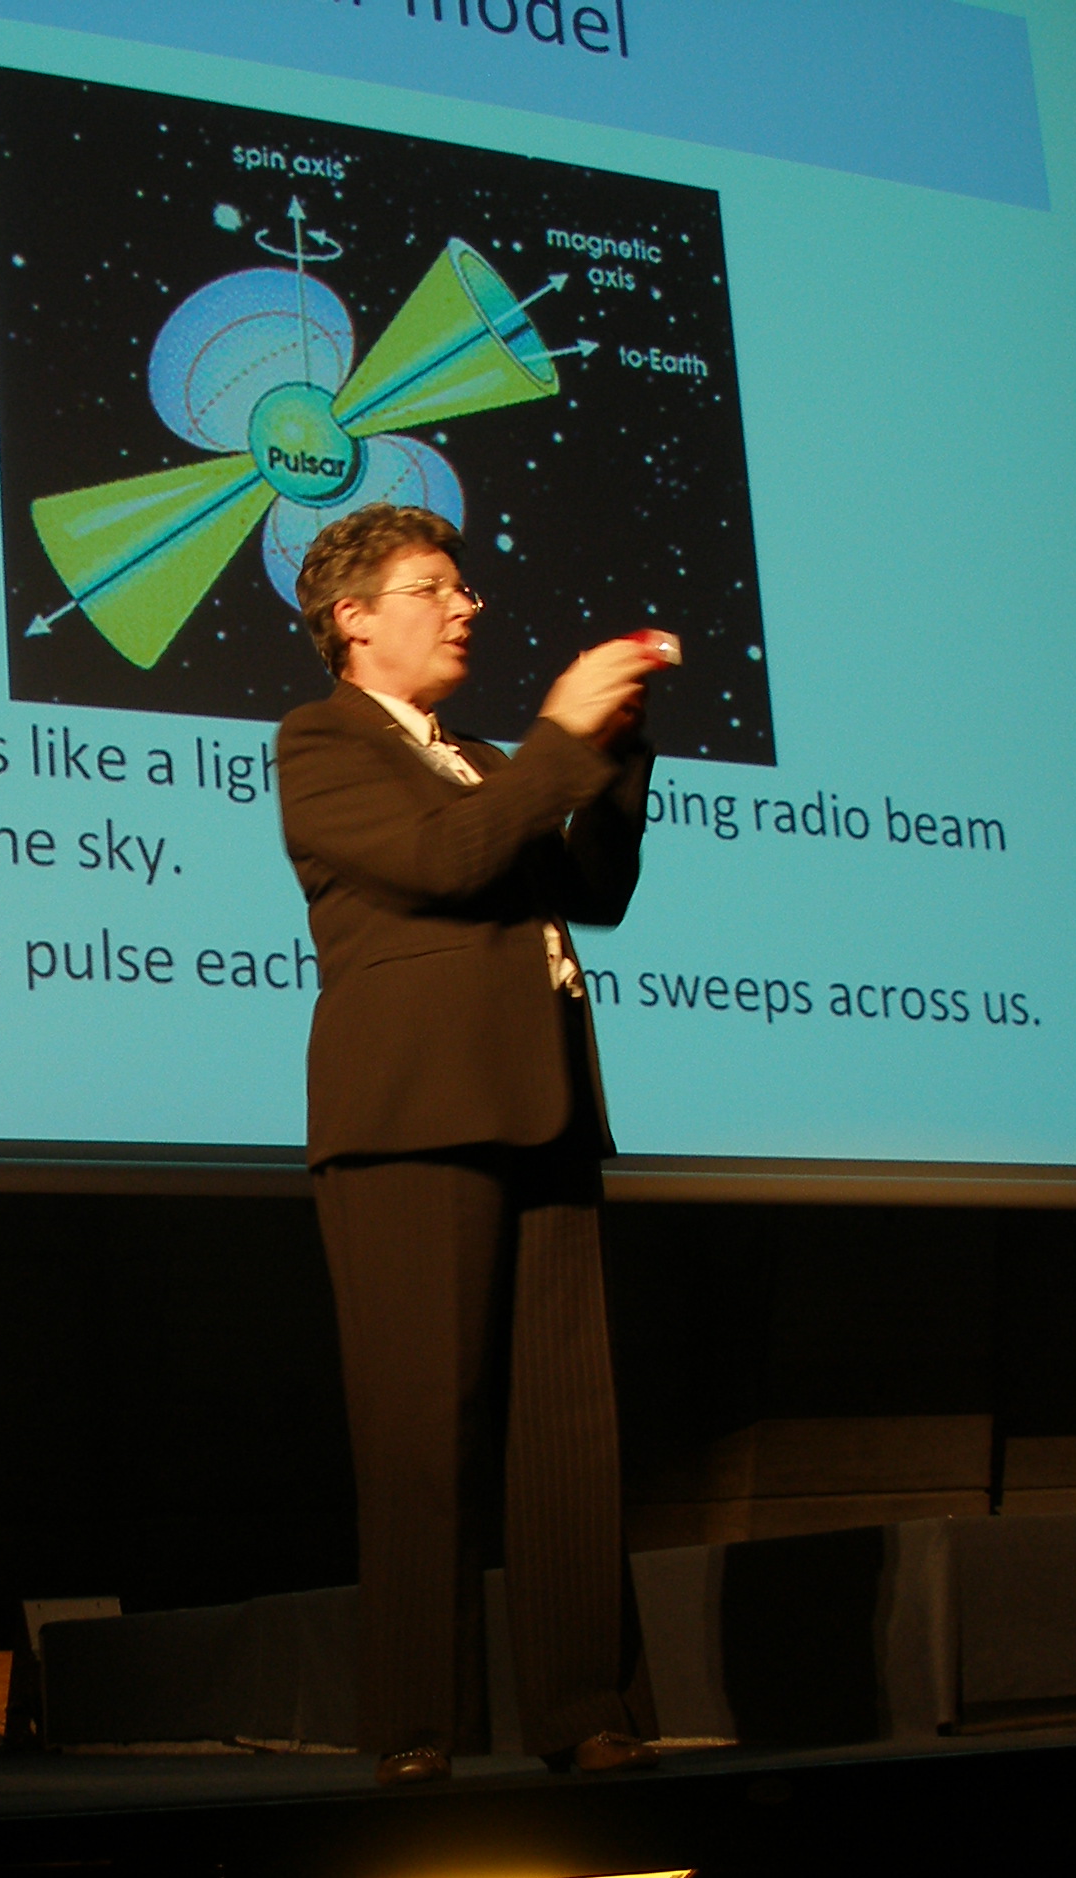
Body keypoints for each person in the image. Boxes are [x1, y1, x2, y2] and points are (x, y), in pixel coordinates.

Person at [276, 503, 681, 1787]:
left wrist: (614, 751)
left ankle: (584, 1706)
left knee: (570, 1433)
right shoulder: (321, 743)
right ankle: (417, 1722)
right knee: (421, 1434)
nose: (466, 607)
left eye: (463, 588)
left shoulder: (485, 758)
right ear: (353, 618)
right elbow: (444, 861)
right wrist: (559, 741)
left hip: (540, 1104)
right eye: (434, 588)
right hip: (410, 1119)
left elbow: (590, 893)